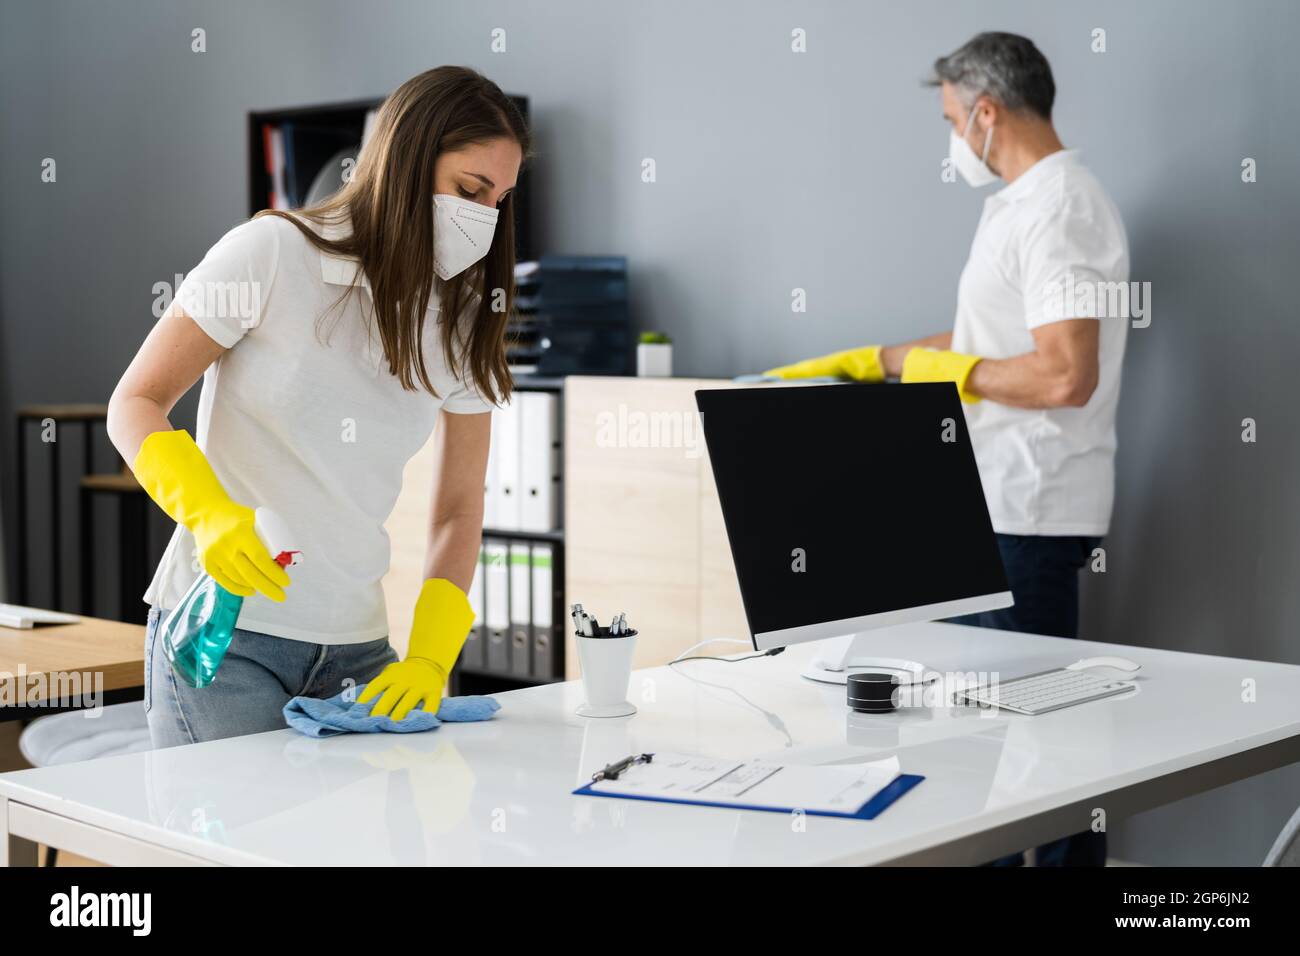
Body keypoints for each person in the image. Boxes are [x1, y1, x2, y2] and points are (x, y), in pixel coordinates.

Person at [766, 33, 1129, 866]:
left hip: (1030, 511)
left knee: (1037, 747)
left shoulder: (1062, 205)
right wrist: (884, 359)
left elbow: (1066, 374)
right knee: (987, 740)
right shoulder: (1024, 204)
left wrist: (952, 370)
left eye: (949, 118)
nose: (951, 137)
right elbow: (990, 339)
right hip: (997, 506)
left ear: (985, 111)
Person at [107, 66, 529, 748]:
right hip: (227, 636)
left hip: (358, 650)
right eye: (468, 190)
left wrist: (429, 653)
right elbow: (136, 401)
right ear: (404, 159)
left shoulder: (461, 319)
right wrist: (210, 516)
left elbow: (458, 507)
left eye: (498, 201)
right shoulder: (270, 253)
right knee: (229, 851)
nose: (481, 219)